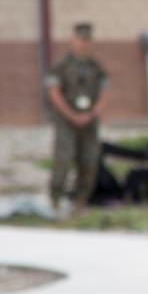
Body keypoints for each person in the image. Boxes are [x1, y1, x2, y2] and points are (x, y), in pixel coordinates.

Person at [45, 22, 110, 213]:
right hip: (66, 120)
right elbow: (54, 92)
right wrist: (71, 114)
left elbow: (104, 93)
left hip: (89, 121)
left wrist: (90, 114)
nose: (84, 44)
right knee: (63, 160)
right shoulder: (61, 65)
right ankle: (56, 200)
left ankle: (79, 202)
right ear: (73, 40)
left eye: (87, 40)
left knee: (89, 161)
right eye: (81, 39)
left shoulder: (95, 67)